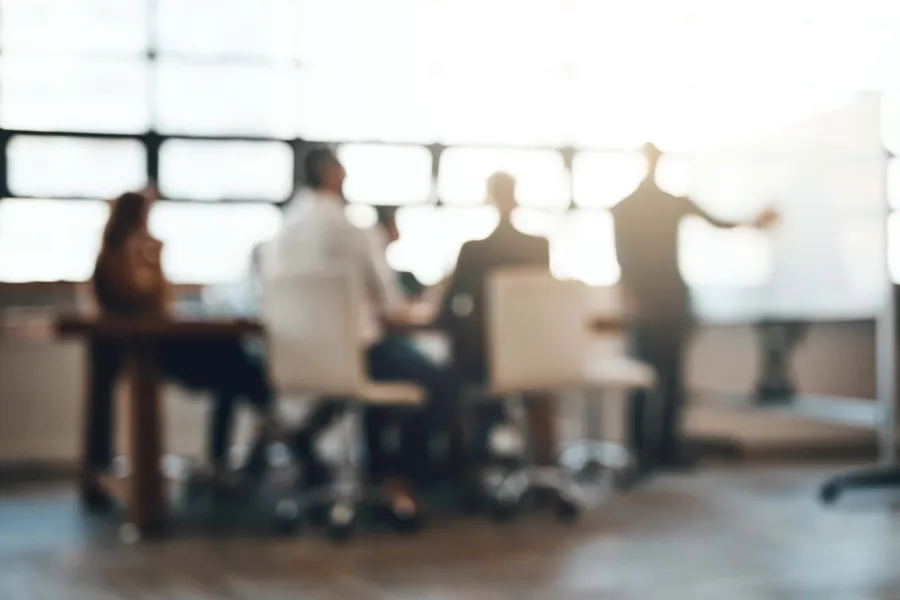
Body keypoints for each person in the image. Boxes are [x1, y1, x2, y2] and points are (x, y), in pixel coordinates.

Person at [270, 147, 458, 511]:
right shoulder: (349, 228)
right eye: (342, 168)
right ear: (328, 171)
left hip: (298, 357)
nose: (346, 177)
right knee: (440, 380)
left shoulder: (284, 229)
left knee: (393, 368)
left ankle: (375, 469)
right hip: (357, 354)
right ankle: (402, 475)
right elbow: (388, 305)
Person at [87, 190, 277, 492]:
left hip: (154, 341)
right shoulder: (123, 257)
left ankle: (234, 447)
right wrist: (155, 259)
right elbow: (151, 303)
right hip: (151, 345)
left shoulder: (122, 254)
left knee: (232, 359)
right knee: (234, 363)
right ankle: (261, 419)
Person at [611, 142, 779, 471]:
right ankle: (640, 450)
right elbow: (622, 261)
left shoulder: (668, 203)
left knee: (671, 377)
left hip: (670, 299)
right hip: (649, 300)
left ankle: (663, 448)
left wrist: (754, 222)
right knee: (644, 379)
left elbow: (718, 223)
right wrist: (632, 301)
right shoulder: (627, 207)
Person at [437, 172, 555, 466]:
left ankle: (459, 466)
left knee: (447, 373)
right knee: (539, 388)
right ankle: (545, 467)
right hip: (533, 357)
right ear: (516, 197)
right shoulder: (538, 247)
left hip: (483, 359)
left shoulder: (474, 250)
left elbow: (448, 309)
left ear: (491, 198)